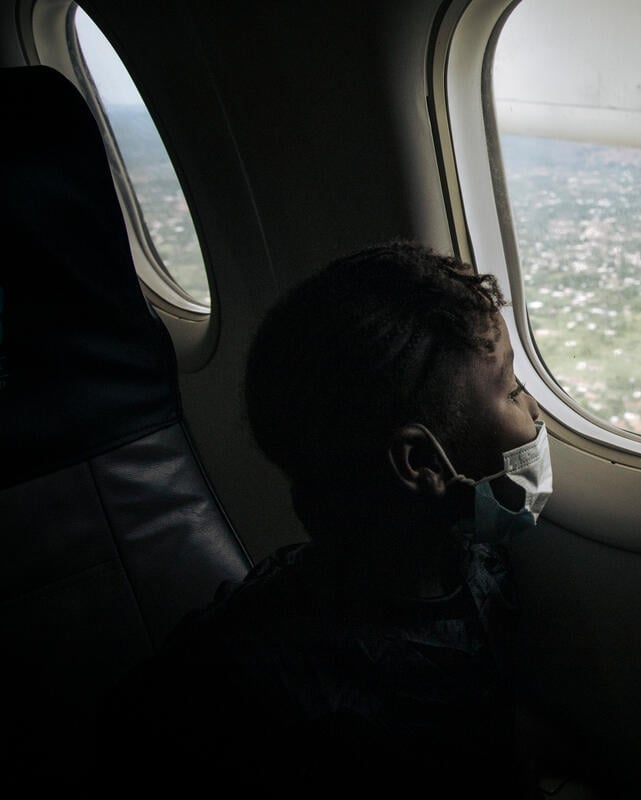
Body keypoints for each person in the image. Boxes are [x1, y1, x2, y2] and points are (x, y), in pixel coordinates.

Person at [99, 240, 552, 796]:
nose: (533, 407)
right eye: (511, 389)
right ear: (421, 464)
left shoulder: (477, 566)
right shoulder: (263, 678)